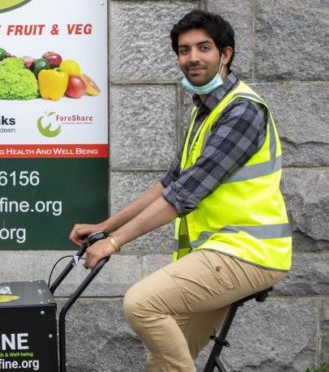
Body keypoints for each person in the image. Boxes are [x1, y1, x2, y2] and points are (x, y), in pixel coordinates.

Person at [70, 10, 291, 371]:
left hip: (248, 252)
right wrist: (105, 227)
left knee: (141, 303)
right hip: (219, 251)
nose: (192, 58)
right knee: (164, 361)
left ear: (226, 54)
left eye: (203, 47)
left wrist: (116, 242)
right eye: (184, 50)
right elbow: (168, 183)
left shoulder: (242, 112)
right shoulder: (206, 111)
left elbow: (185, 193)